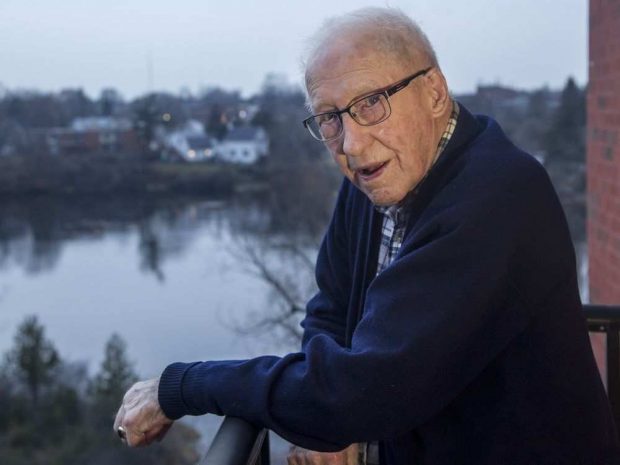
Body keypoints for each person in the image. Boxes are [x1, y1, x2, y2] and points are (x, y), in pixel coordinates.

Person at [114, 7, 620, 465]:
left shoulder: (499, 196)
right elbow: (331, 308)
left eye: (372, 103)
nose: (352, 144)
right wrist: (332, 429)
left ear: (435, 93)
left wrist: (183, 386)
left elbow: (364, 390)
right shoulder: (377, 175)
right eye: (330, 118)